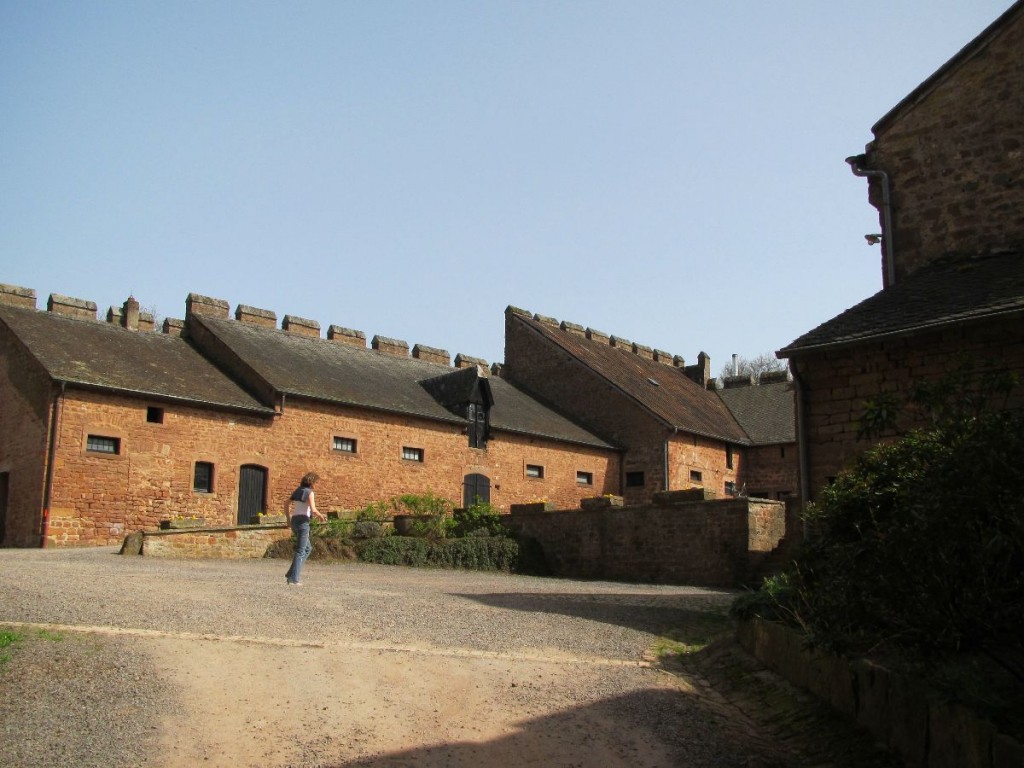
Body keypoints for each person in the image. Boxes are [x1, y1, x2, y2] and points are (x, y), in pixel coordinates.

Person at [285, 472, 325, 585]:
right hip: (303, 522)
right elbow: (313, 509)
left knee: (307, 548)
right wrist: (321, 516)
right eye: (316, 482)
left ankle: (292, 573)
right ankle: (294, 579)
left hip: (295, 520)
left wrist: (288, 519)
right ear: (312, 482)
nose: (317, 484)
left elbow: (286, 503)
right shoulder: (310, 492)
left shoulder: (298, 490)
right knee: (301, 550)